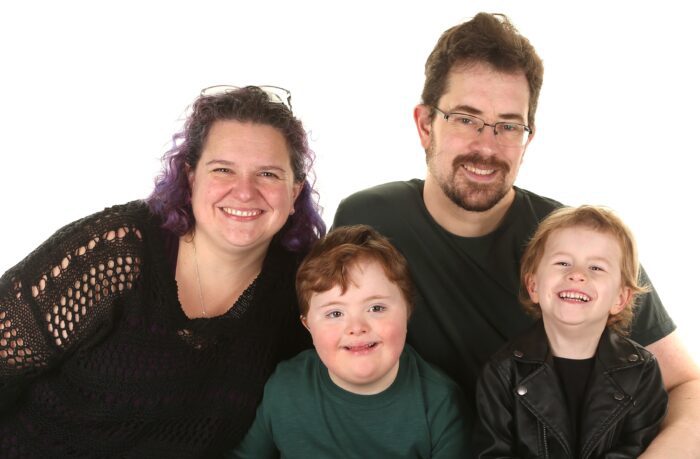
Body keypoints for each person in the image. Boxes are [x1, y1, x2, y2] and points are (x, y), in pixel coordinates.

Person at [332, 12, 700, 456]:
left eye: (508, 125)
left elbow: (687, 385)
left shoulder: (577, 244)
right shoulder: (368, 220)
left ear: (528, 137)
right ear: (425, 124)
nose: (486, 146)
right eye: (465, 118)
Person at [0, 85, 324, 457]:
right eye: (223, 169)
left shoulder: (299, 291)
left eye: (267, 174)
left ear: (295, 191)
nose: (245, 191)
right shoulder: (117, 252)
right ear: (190, 178)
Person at [230, 225, 469, 458]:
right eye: (335, 313)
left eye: (376, 308)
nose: (357, 327)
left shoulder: (440, 403)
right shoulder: (285, 387)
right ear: (308, 326)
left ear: (407, 312)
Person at [474, 206, 668, 458]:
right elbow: (492, 453)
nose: (576, 275)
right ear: (533, 286)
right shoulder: (503, 372)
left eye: (596, 268)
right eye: (562, 262)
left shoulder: (641, 371)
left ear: (620, 298)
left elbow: (637, 447)